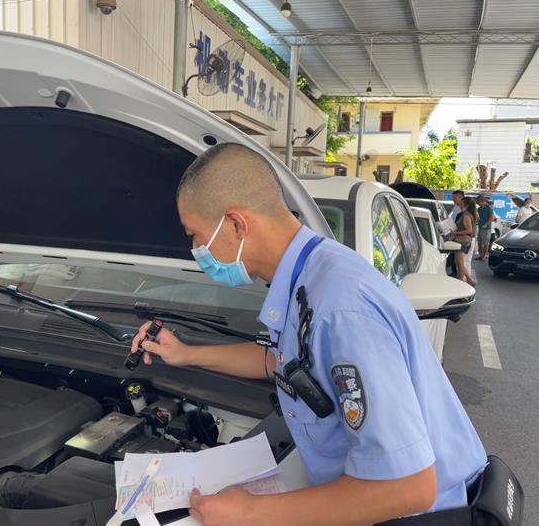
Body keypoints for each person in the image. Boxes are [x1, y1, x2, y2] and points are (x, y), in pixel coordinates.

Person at [131, 143, 486, 526]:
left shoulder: (341, 309)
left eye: (196, 235)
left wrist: (249, 512)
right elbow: (284, 361)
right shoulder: (311, 273)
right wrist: (187, 353)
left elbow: (408, 487)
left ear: (235, 224)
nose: (196, 250)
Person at [452, 197, 477, 286]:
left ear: (466, 204)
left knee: (460, 263)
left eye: (462, 203)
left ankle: (463, 281)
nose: (460, 205)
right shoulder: (469, 214)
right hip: (464, 240)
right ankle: (468, 280)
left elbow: (469, 230)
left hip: (462, 240)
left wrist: (456, 233)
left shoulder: (466, 215)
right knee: (459, 262)